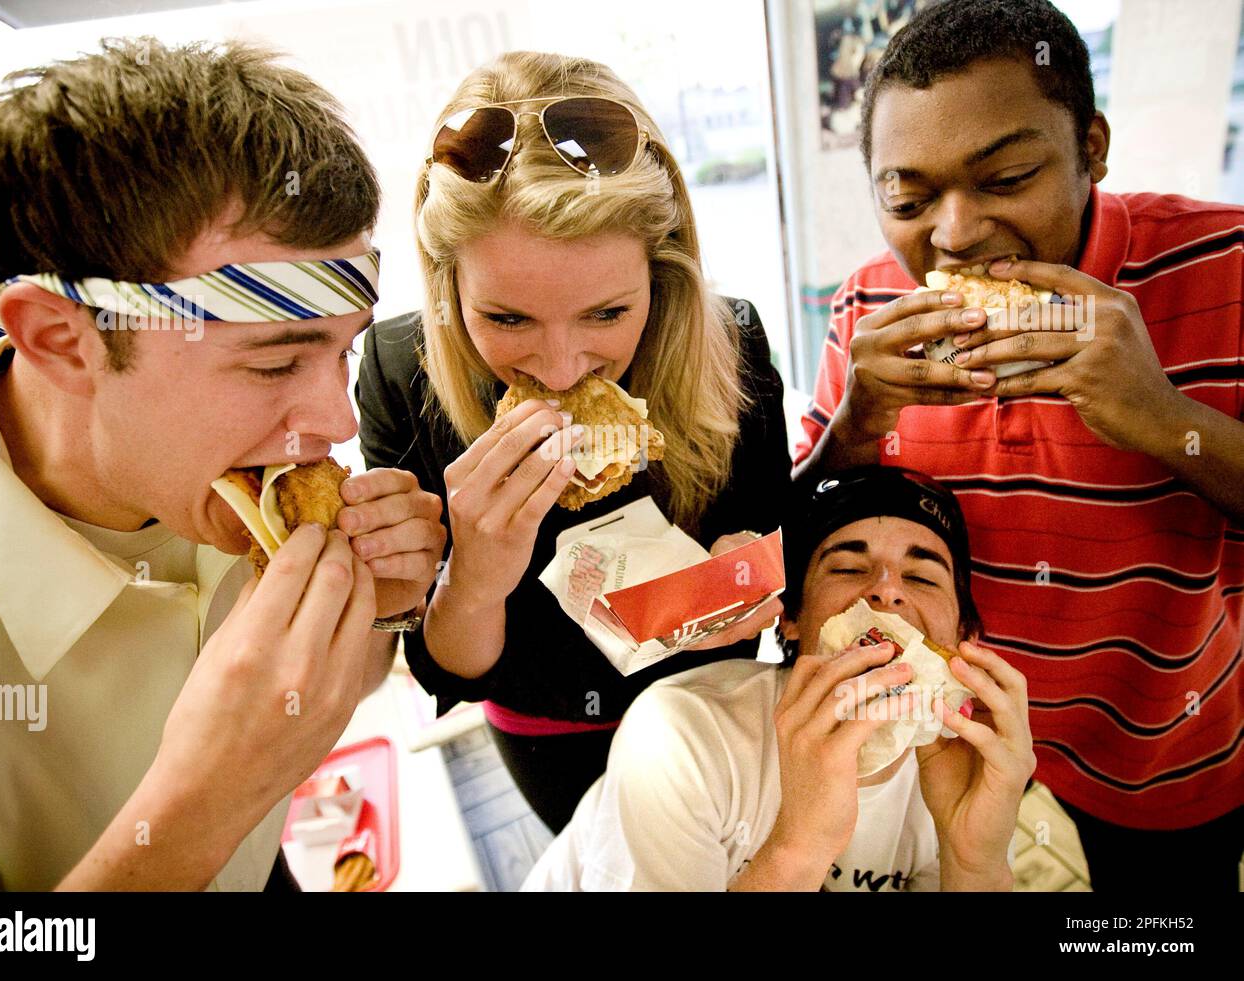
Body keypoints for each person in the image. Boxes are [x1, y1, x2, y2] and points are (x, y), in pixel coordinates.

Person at [0, 39, 445, 891]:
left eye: (340, 355)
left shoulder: (242, 486)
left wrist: (381, 615)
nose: (336, 422)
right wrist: (202, 801)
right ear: (64, 340)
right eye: (274, 363)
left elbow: (308, 706)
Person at [796, 0, 1244, 891]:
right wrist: (857, 423)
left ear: (1092, 147)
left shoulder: (1225, 263)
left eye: (1005, 179)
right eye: (910, 198)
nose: (955, 234)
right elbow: (797, 535)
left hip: (1164, 754)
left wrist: (1156, 413)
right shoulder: (865, 306)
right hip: (946, 739)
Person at [356, 51, 791, 832]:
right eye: (508, 319)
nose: (560, 368)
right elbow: (439, 660)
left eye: (606, 314)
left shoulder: (735, 343)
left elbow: (772, 533)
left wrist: (746, 572)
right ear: (447, 283)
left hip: (708, 711)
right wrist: (477, 578)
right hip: (543, 727)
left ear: (662, 274)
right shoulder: (399, 374)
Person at [523, 465, 1034, 891]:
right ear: (791, 618)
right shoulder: (681, 734)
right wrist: (800, 843)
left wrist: (974, 863)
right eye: (847, 568)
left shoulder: (971, 769)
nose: (887, 591)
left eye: (922, 576)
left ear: (964, 632)